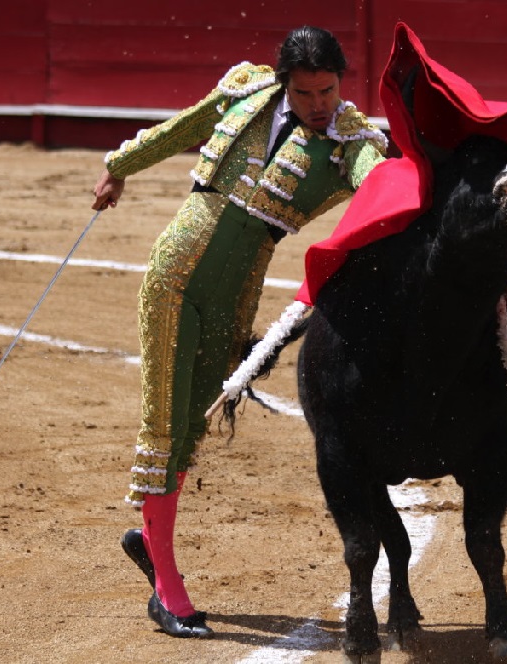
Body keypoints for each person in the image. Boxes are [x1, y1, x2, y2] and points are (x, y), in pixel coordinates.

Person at [91, 25, 387, 639]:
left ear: (341, 82)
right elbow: (178, 129)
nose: (319, 105)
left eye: (328, 91)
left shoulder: (352, 141)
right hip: (175, 269)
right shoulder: (245, 89)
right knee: (165, 424)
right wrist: (118, 168)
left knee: (192, 423)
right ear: (285, 84)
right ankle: (167, 590)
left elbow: (379, 185)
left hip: (237, 294)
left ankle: (151, 540)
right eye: (305, 93)